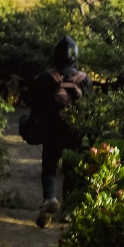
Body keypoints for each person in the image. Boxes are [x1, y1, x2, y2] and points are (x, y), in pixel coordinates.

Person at [20, 35, 90, 227]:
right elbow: (91, 111)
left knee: (49, 168)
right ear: (75, 55)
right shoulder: (85, 80)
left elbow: (36, 107)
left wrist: (31, 127)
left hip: (51, 131)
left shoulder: (45, 78)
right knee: (71, 170)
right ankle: (68, 211)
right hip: (75, 133)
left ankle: (49, 198)